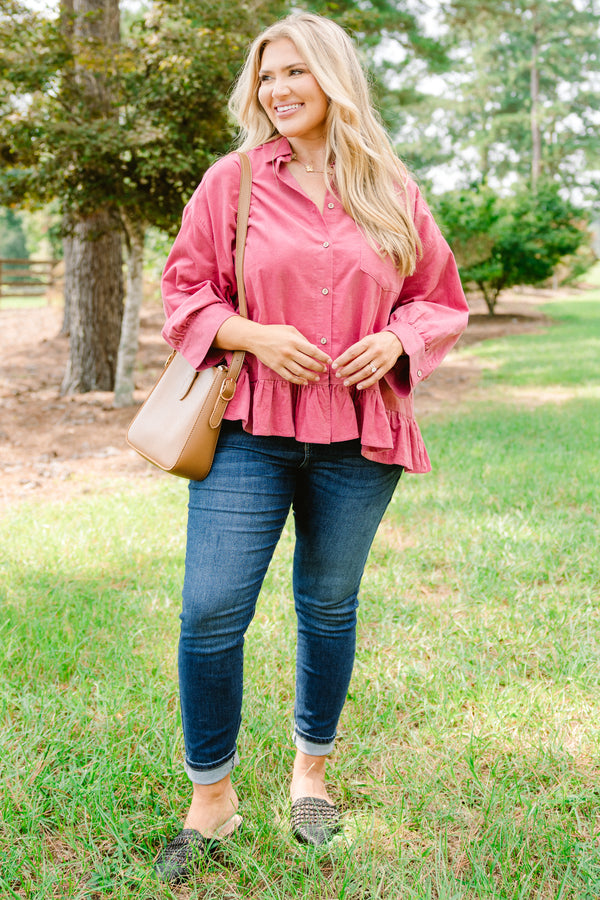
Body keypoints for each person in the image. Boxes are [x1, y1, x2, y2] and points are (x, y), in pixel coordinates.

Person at [154, 11, 469, 883]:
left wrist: (399, 340)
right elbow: (185, 290)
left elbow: (438, 298)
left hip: (360, 436)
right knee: (210, 610)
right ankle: (211, 798)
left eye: (295, 71)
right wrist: (252, 334)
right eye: (266, 76)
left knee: (328, 607)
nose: (278, 89)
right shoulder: (233, 182)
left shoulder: (392, 188)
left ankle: (311, 776)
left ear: (333, 78)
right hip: (249, 430)